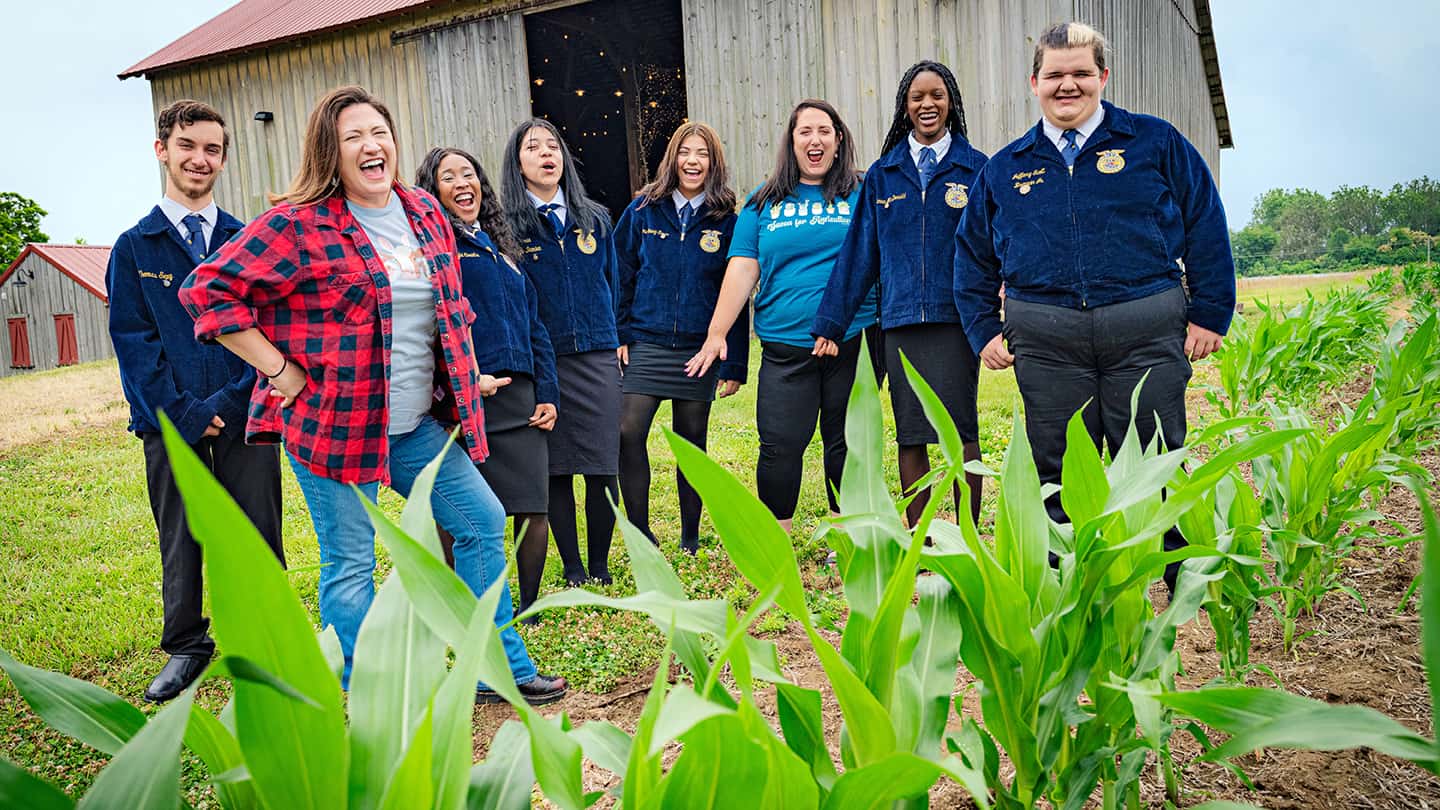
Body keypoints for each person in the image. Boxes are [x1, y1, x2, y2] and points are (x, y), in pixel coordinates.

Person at [180, 86, 565, 704]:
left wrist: (465, 373)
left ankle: (495, 665)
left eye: (378, 132)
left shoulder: (423, 211)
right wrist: (279, 371)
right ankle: (369, 695)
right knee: (351, 562)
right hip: (336, 426)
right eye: (352, 136)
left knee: (482, 521)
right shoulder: (296, 224)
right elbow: (207, 292)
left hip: (414, 425)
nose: (370, 145)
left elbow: (444, 305)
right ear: (330, 153)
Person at [953, 22, 1236, 590]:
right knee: (1057, 467)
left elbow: (1206, 222)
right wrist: (983, 327)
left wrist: (1210, 311)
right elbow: (972, 253)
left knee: (1157, 456)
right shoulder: (1006, 167)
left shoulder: (1154, 143)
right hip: (1048, 344)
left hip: (1145, 331)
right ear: (1034, 82)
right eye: (1055, 75)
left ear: (1102, 77)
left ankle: (1181, 583)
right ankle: (1064, 582)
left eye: (1080, 73)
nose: (1068, 86)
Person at [107, 99, 284, 703]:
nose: (199, 159)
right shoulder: (135, 248)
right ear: (163, 151)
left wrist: (234, 403)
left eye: (212, 149)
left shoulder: (248, 239)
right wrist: (183, 412)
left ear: (224, 158)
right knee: (180, 535)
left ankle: (266, 638)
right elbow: (135, 344)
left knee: (258, 528)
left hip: (247, 413)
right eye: (187, 146)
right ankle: (187, 644)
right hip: (169, 422)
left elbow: (269, 329)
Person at [813, 61, 988, 528]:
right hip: (901, 322)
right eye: (917, 97)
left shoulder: (976, 169)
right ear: (904, 107)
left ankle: (967, 536)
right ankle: (921, 538)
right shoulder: (884, 175)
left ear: (950, 102)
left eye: (936, 96)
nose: (927, 105)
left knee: (961, 432)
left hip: (956, 324)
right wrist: (831, 323)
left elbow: (996, 248)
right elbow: (859, 255)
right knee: (911, 435)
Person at [687, 99, 877, 532]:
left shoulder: (862, 193)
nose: (815, 139)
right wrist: (717, 333)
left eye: (824, 131)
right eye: (804, 131)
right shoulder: (763, 201)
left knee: (846, 443)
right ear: (791, 142)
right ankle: (778, 540)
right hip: (784, 345)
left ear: (838, 138)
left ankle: (846, 538)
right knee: (779, 445)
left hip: (854, 341)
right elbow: (741, 267)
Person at [415, 146, 558, 622]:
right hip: (470, 397)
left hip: (522, 398)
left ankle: (530, 607)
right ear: (432, 191)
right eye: (448, 176)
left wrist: (549, 394)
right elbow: (433, 324)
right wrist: (462, 379)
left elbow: (537, 325)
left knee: (533, 507)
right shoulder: (438, 249)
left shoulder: (502, 248)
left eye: (468, 173)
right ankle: (468, 607)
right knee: (466, 515)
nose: (462, 183)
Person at [613, 123, 746, 554]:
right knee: (628, 432)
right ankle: (641, 532)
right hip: (647, 342)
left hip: (699, 348)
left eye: (702, 154)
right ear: (672, 159)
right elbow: (619, 274)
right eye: (685, 152)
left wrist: (734, 361)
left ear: (714, 163)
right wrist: (620, 332)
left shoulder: (727, 219)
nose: (693, 161)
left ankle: (689, 536)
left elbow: (737, 292)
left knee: (692, 445)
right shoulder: (642, 211)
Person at [500, 119, 622, 585]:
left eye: (554, 146)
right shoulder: (508, 226)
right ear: (518, 163)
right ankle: (571, 567)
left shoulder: (594, 217)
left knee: (601, 465)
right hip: (542, 363)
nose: (547, 154)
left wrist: (615, 339)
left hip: (596, 354)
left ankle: (600, 566)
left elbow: (611, 284)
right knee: (556, 469)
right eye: (534, 147)